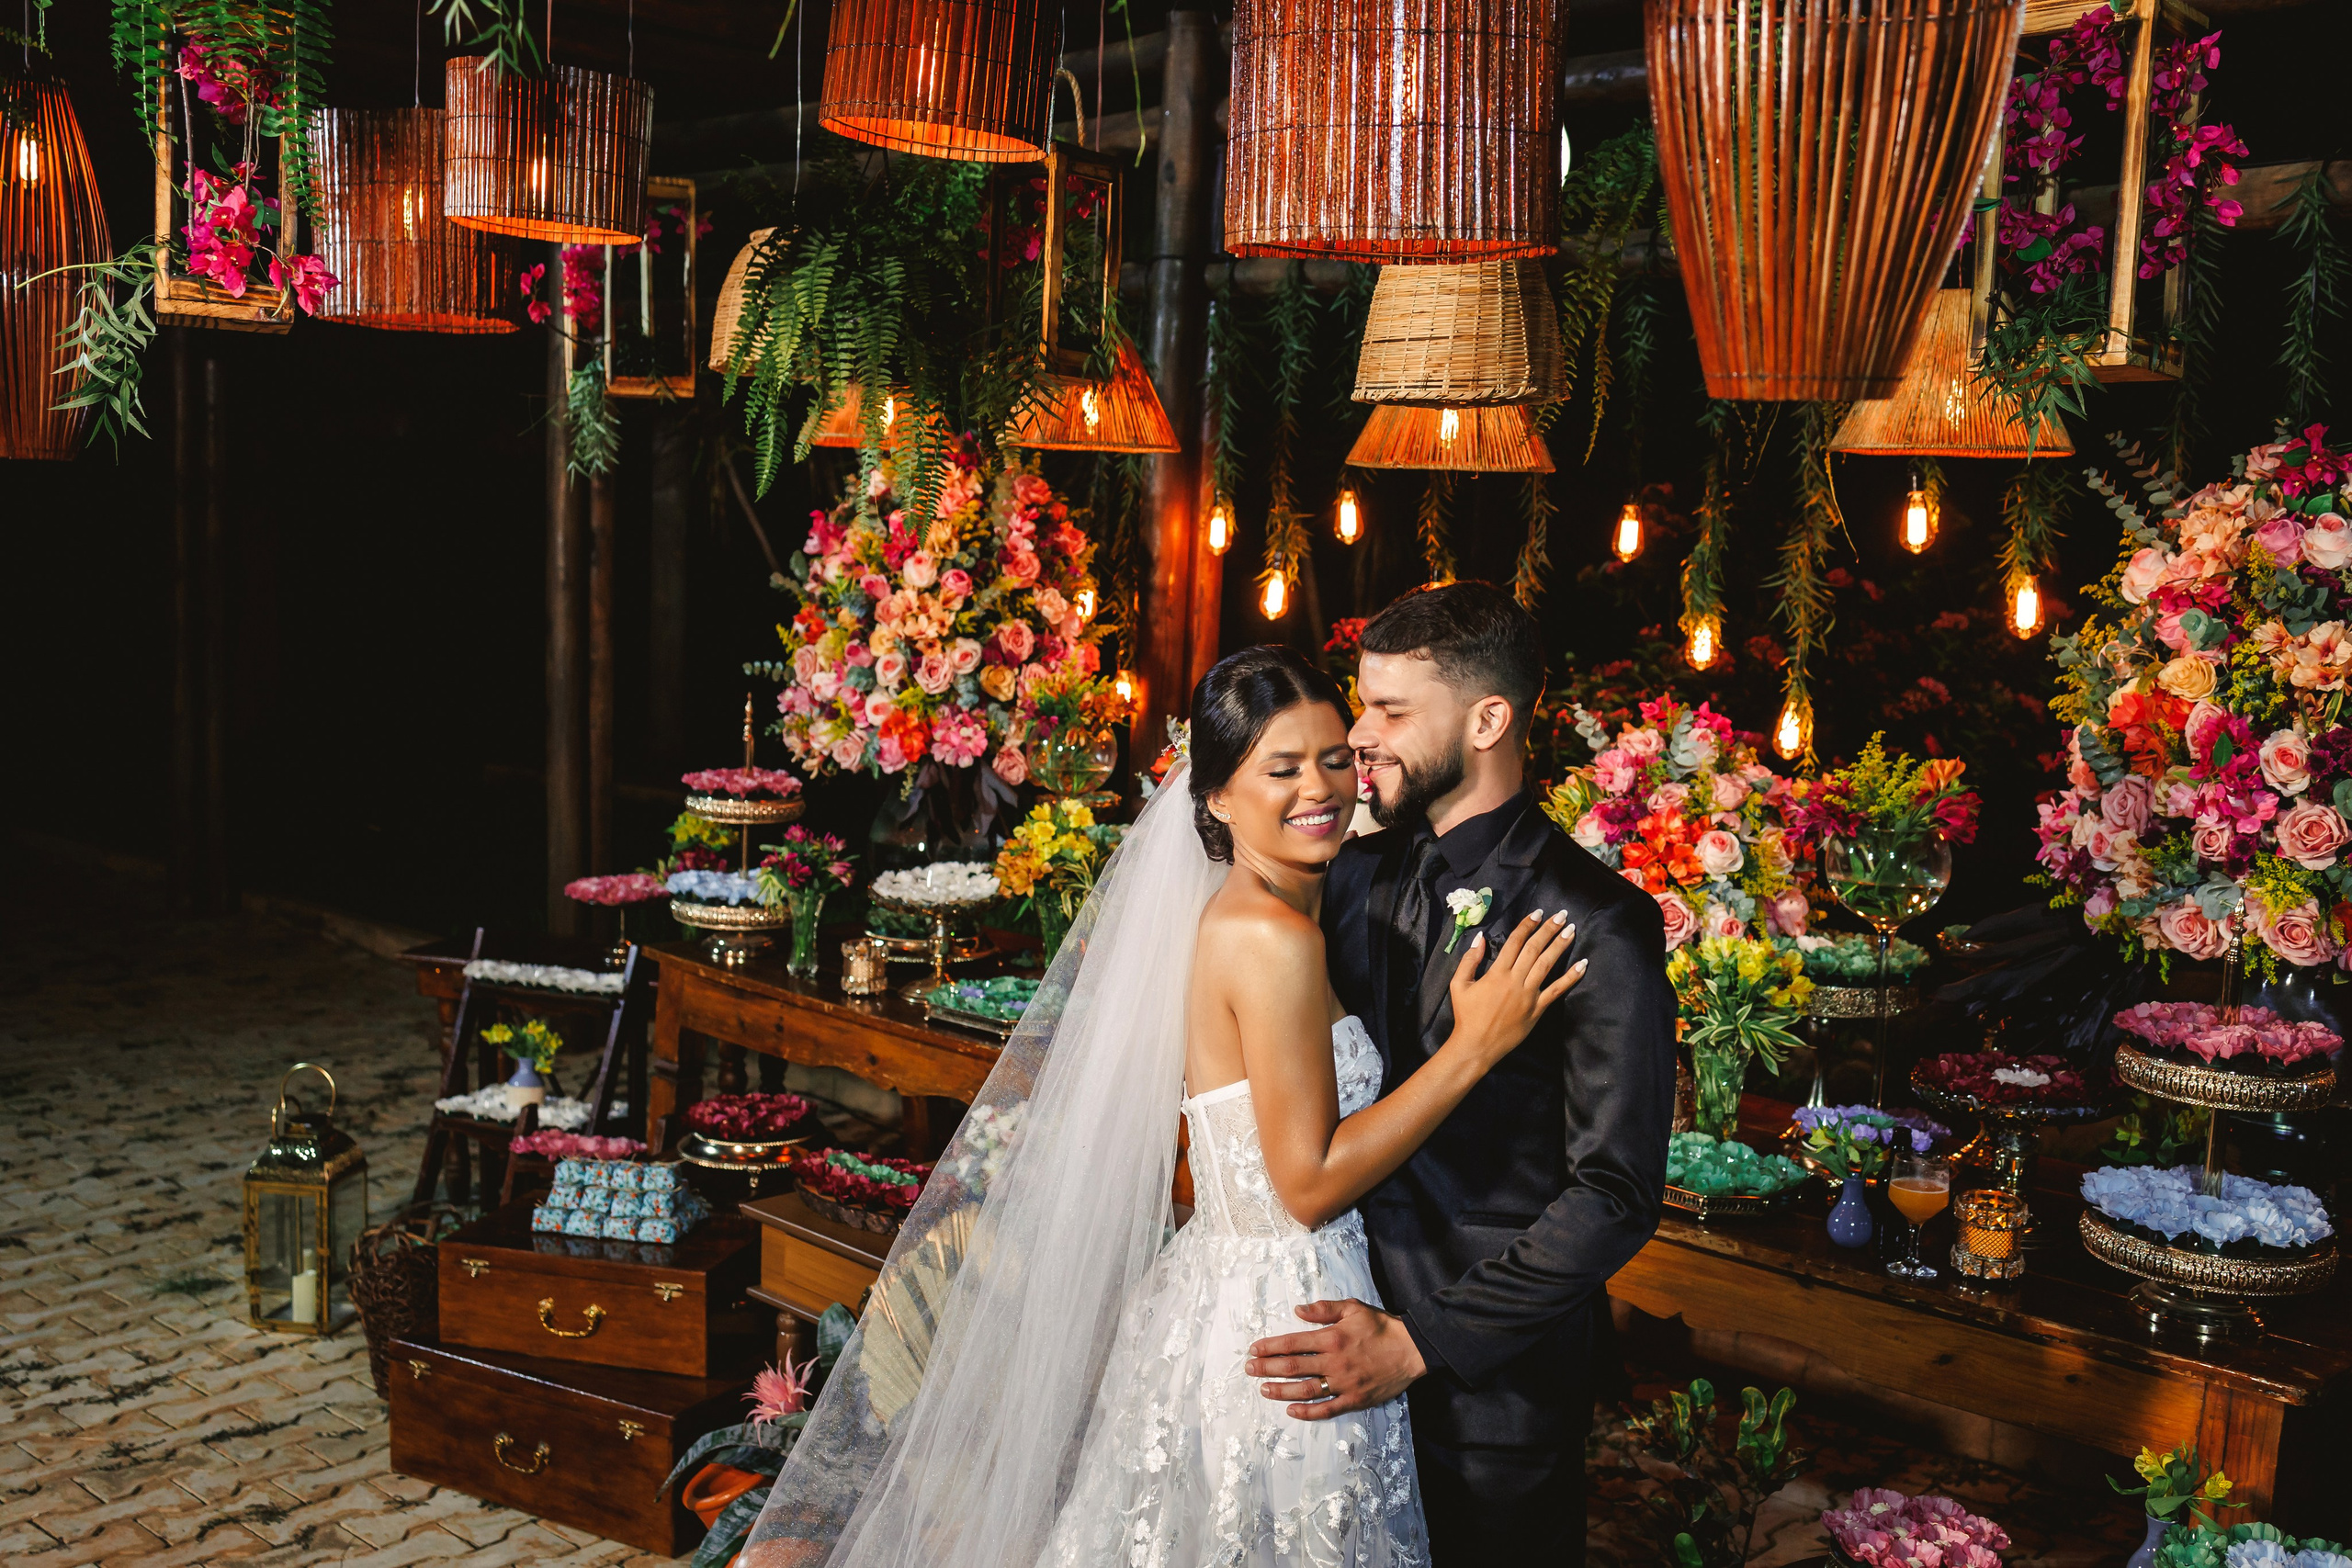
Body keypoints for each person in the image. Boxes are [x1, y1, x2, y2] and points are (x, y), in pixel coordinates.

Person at [741, 643, 1585, 1568]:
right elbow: (1304, 1184)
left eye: (1335, 757)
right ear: (1218, 796)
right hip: (1286, 1314)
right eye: (1283, 767)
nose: (1322, 787)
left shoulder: (1260, 910)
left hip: (1230, 1296)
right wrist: (1471, 1049)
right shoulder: (1268, 937)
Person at [1245, 581, 1677, 1567]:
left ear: (1487, 719)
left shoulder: (1599, 921)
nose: (1362, 733)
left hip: (1491, 1391)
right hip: (1324, 1343)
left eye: (1392, 711)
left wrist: (1418, 1342)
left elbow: (1614, 1194)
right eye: (1364, 703)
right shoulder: (1352, 873)